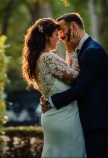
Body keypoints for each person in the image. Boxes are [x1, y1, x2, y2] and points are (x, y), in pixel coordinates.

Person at [41, 12, 108, 158]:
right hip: (85, 119)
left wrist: (51, 101)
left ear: (73, 27)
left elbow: (80, 88)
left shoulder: (92, 51)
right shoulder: (82, 51)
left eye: (62, 31)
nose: (61, 36)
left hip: (95, 120)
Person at [22, 18, 86, 158]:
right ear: (47, 36)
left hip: (52, 117)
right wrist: (71, 50)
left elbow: (66, 72)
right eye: (56, 35)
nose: (59, 38)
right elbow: (74, 76)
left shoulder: (39, 58)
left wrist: (70, 52)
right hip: (65, 118)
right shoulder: (47, 58)